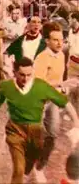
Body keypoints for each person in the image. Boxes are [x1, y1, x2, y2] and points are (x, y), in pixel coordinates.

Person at [0, 57, 79, 184]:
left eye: (29, 75)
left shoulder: (41, 86)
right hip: (15, 130)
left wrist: (76, 122)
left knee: (29, 163)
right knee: (18, 168)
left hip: (35, 131)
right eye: (22, 75)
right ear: (15, 72)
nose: (25, 79)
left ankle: (28, 172)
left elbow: (64, 102)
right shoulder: (6, 86)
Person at [33, 22, 67, 182]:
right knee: (34, 137)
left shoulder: (61, 55)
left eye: (61, 39)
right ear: (47, 41)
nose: (60, 43)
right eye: (55, 40)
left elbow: (59, 78)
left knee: (53, 134)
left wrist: (62, 88)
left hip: (52, 101)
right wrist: (60, 85)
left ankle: (40, 167)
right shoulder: (41, 58)